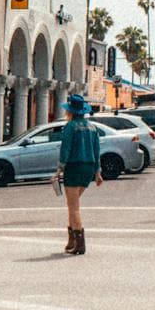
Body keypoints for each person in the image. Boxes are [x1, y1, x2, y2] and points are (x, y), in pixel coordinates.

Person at [52, 94, 103, 255]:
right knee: (72, 204)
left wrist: (59, 169)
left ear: (71, 111)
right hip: (88, 168)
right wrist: (97, 172)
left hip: (74, 167)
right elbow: (97, 150)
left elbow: (65, 149)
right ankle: (72, 240)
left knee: (73, 207)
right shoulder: (92, 127)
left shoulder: (70, 126)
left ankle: (79, 242)